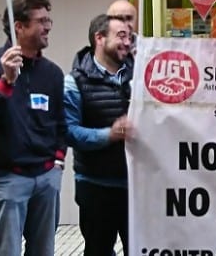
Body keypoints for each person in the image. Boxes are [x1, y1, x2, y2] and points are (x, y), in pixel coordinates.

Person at [0, 0, 66, 255]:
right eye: (41, 21)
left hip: (46, 178)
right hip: (8, 178)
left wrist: (58, 161)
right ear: (18, 27)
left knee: (43, 250)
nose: (48, 27)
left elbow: (60, 122)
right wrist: (6, 82)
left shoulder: (52, 73)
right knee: (5, 251)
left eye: (49, 20)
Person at [64, 14, 134, 256]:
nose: (127, 42)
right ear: (99, 38)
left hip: (137, 186)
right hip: (95, 186)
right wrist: (110, 135)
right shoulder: (73, 82)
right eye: (121, 36)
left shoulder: (143, 77)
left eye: (129, 37)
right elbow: (69, 132)